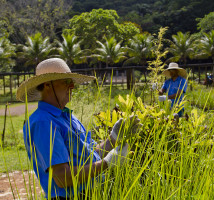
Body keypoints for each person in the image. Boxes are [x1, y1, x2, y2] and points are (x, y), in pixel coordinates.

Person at [16, 58, 139, 199]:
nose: (72, 86)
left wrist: (113, 138)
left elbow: (90, 155)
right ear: (47, 85)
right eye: (66, 81)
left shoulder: (67, 116)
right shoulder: (44, 122)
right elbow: (62, 178)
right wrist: (107, 163)